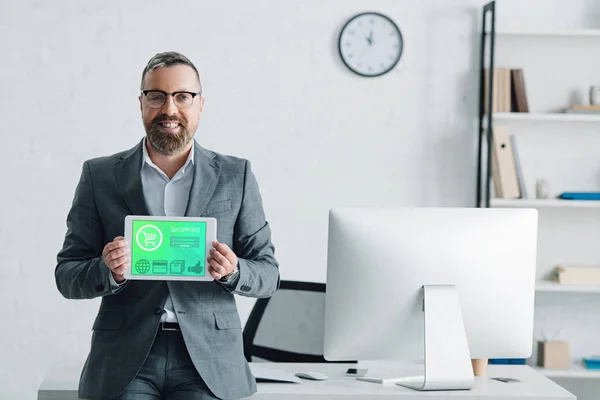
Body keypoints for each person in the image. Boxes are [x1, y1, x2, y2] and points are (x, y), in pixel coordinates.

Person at [55, 51, 280, 400]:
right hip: (125, 358)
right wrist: (108, 270)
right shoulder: (100, 176)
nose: (169, 109)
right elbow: (67, 275)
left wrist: (235, 271)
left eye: (182, 97)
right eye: (156, 96)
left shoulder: (237, 176)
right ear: (141, 103)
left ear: (201, 104)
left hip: (209, 359)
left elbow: (268, 275)